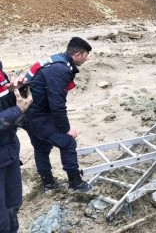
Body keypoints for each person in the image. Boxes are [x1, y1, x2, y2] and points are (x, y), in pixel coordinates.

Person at [23, 37, 93, 192]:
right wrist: (65, 129)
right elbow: (57, 104)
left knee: (42, 147)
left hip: (28, 112)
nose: (87, 59)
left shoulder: (57, 61)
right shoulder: (60, 69)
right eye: (86, 55)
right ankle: (75, 183)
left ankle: (49, 185)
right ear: (78, 55)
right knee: (67, 142)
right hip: (34, 115)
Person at [0, 62, 33, 233]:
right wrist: (16, 111)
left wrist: (18, 92)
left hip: (9, 152)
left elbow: (12, 110)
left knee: (13, 205)